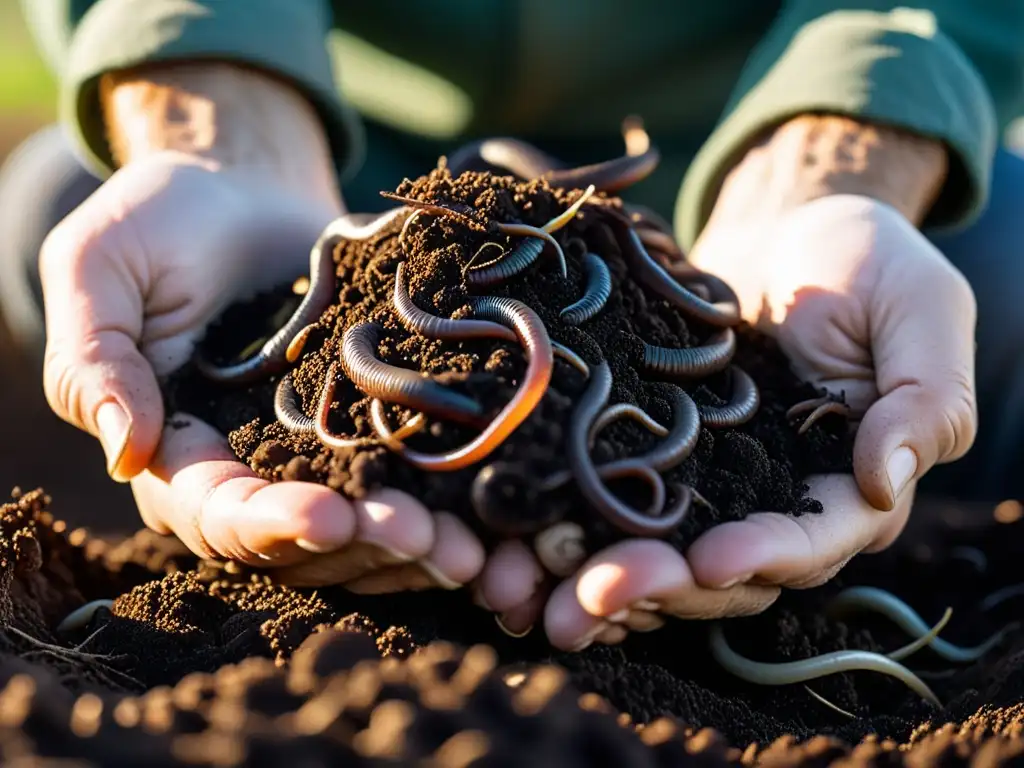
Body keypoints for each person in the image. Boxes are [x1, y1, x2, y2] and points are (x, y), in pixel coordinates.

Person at [1, 1, 1021, 652]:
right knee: (56, 195)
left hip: (735, 212)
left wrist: (842, 160)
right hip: (337, 177)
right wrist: (215, 103)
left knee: (998, 261)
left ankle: (885, 567)